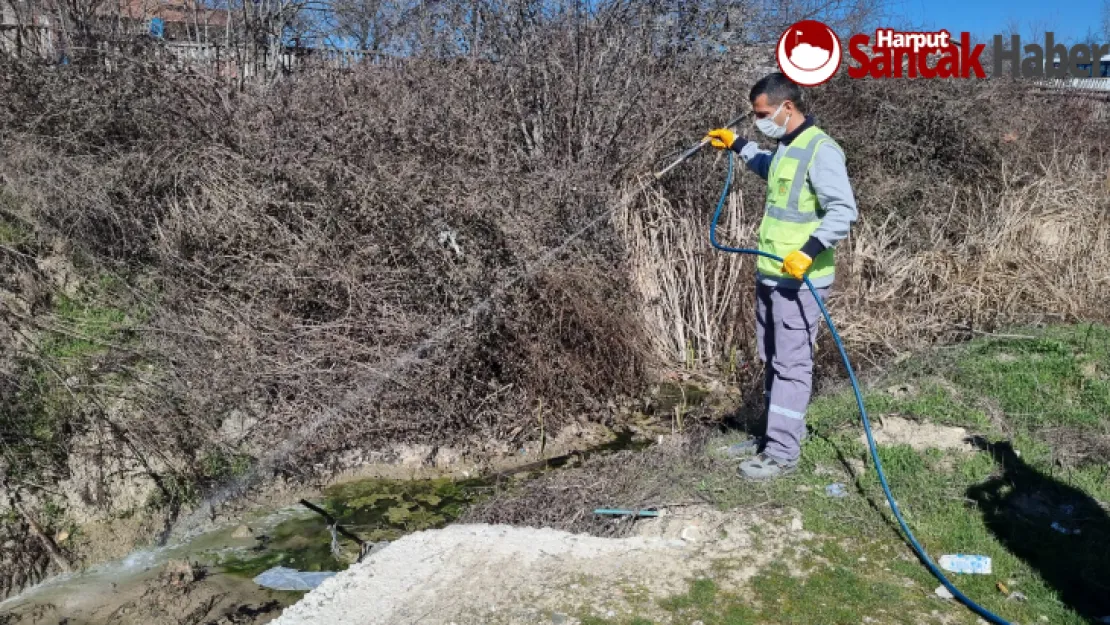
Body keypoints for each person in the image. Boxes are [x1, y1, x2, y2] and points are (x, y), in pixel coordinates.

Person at [703, 72, 858, 481]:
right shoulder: (787, 147)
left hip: (800, 279)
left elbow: (843, 211)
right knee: (772, 358)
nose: (759, 121)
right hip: (770, 272)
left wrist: (807, 252)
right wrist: (737, 144)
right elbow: (770, 169)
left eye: (763, 114)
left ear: (787, 107)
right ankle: (776, 437)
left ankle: (783, 454)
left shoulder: (821, 149)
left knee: (792, 364)